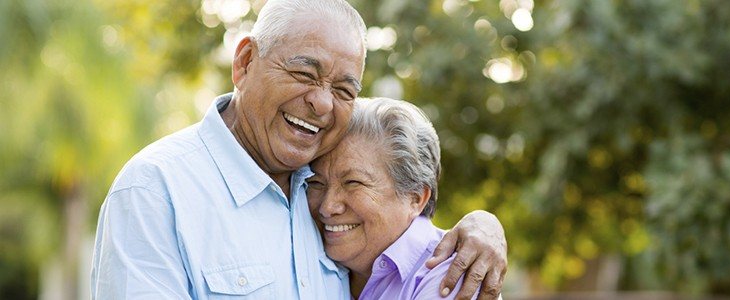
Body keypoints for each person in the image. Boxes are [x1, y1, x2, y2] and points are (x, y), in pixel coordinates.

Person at [90, 0, 506, 299]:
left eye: (344, 89)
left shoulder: (325, 197)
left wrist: (483, 226)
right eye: (304, 72)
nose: (322, 103)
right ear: (246, 61)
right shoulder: (156, 191)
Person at [308, 97, 484, 299]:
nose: (327, 207)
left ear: (415, 198)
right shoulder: (311, 256)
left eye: (353, 183)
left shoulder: (452, 275)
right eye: (316, 183)